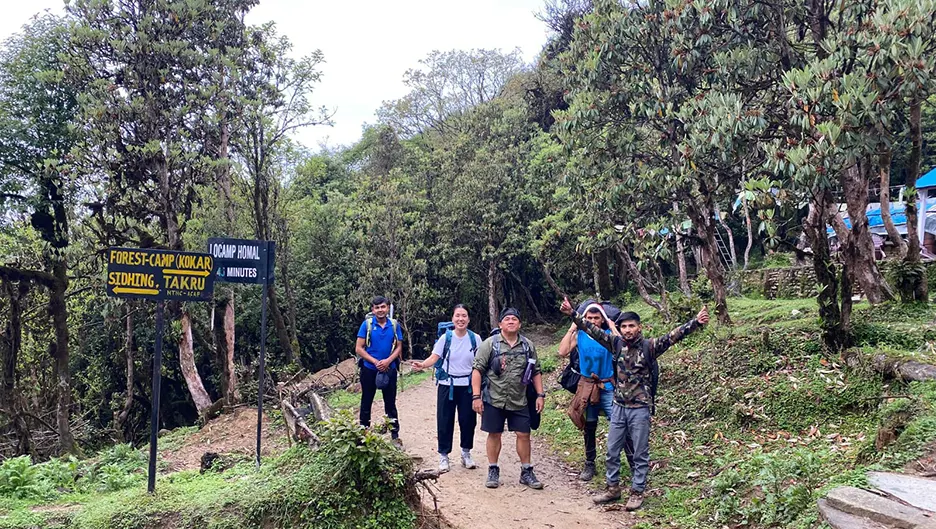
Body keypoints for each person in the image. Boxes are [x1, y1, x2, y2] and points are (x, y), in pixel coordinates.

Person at [560, 297, 709, 511]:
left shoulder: (650, 346)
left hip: (639, 408)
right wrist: (573, 313)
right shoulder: (615, 344)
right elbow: (591, 329)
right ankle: (613, 488)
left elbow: (673, 336)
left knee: (640, 453)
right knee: (612, 450)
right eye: (624, 326)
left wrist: (696, 322)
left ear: (639, 328)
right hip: (619, 405)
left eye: (631, 326)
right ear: (619, 328)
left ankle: (637, 492)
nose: (628, 330)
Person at [471, 307, 546, 490]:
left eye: (514, 319)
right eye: (507, 319)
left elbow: (536, 371)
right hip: (494, 398)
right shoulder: (490, 344)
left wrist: (540, 395)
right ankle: (493, 469)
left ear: (519, 324)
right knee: (494, 433)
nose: (511, 321)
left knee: (524, 434)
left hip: (519, 398)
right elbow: (477, 370)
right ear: (500, 324)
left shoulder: (528, 346)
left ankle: (526, 471)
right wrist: (476, 397)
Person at [412, 305, 481, 472]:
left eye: (464, 316)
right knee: (444, 420)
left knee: (468, 420)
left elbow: (481, 361)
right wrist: (423, 365)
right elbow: (435, 357)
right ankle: (444, 455)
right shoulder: (446, 338)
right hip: (446, 385)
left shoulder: (475, 338)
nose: (460, 319)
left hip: (468, 386)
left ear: (468, 319)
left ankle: (466, 453)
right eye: (457, 316)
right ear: (452, 319)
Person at [558, 303, 618, 482]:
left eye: (596, 318)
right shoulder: (580, 335)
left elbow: (623, 347)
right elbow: (562, 351)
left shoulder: (607, 335)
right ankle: (589, 463)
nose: (592, 321)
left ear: (602, 319)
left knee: (618, 423)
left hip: (606, 386)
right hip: (587, 387)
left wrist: (612, 326)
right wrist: (572, 327)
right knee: (589, 425)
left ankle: (629, 461)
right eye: (589, 318)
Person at [355, 296, 403, 446]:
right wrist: (375, 362)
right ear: (373, 310)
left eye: (383, 307)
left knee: (390, 403)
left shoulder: (394, 325)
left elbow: (399, 347)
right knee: (366, 401)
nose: (380, 310)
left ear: (388, 308)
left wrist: (388, 361)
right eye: (377, 307)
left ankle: (395, 436)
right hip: (369, 369)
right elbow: (359, 348)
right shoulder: (367, 325)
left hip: (390, 369)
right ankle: (363, 434)